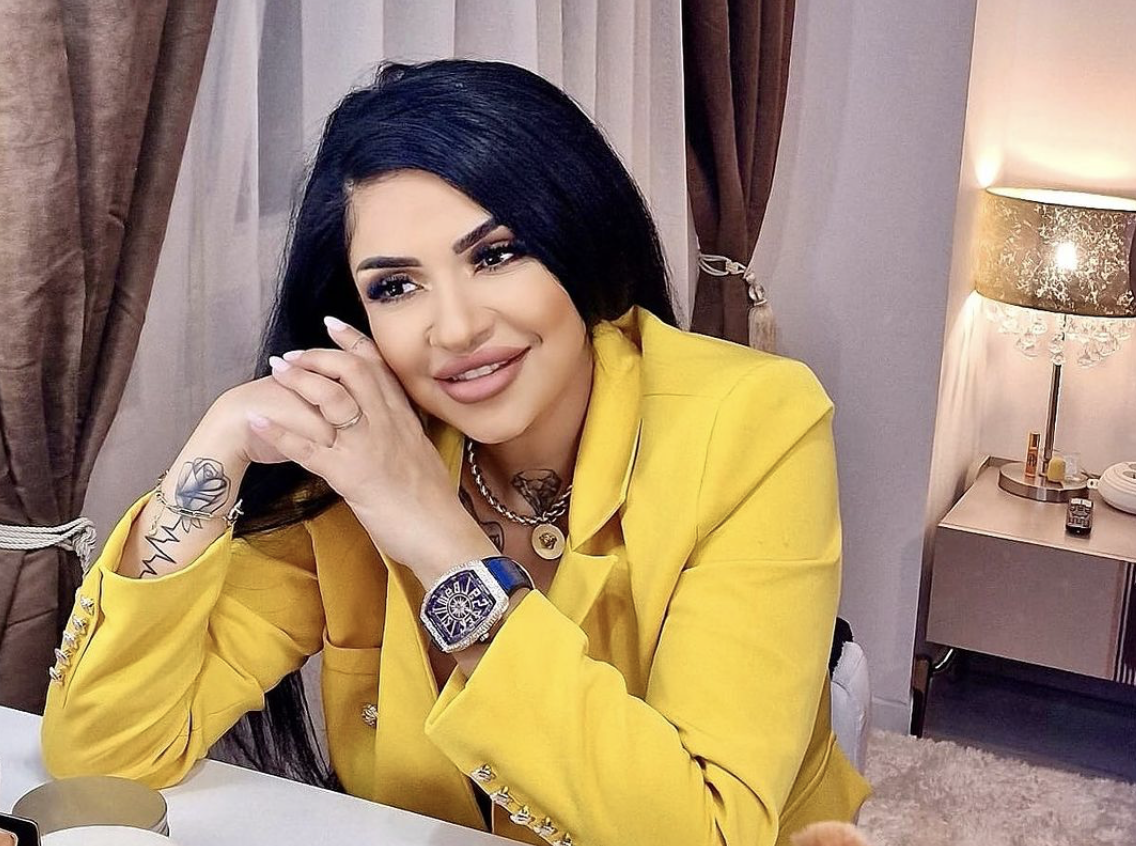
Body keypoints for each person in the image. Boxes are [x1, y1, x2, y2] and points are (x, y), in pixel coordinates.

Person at [41, 60, 871, 845]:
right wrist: (219, 440)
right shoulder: (358, 456)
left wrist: (437, 538)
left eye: (497, 254)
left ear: (577, 236)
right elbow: (106, 755)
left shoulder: (756, 421)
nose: (458, 328)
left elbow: (706, 831)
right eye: (396, 286)